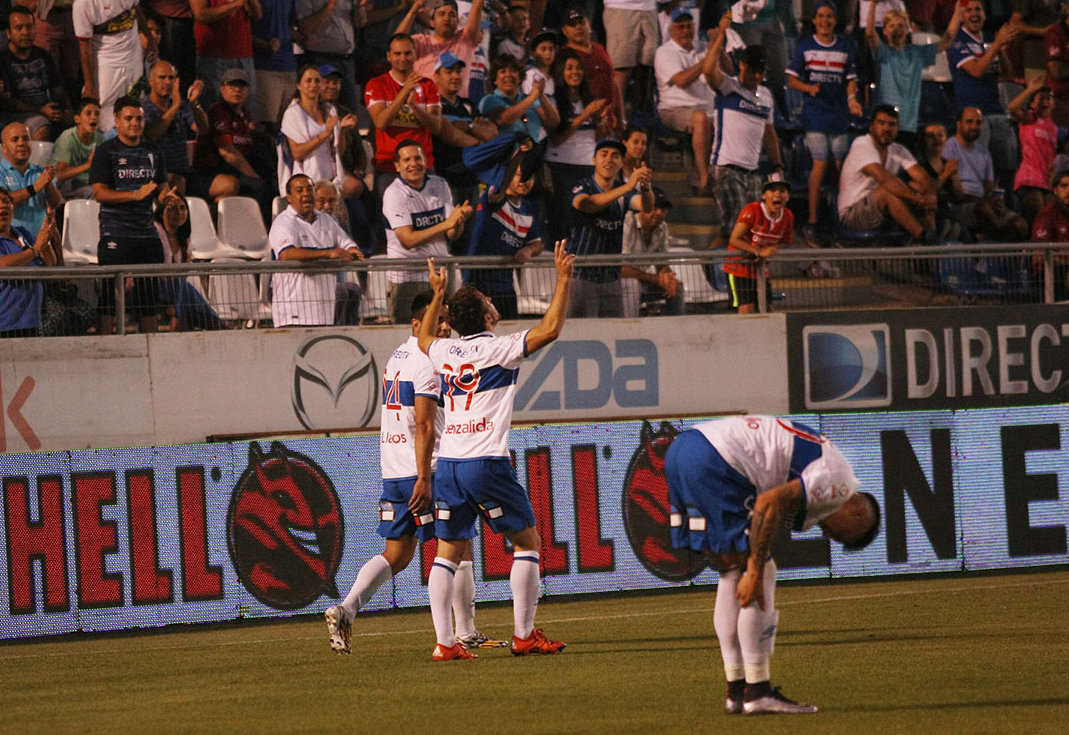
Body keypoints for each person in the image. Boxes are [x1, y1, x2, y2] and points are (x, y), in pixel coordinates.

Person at [417, 238, 575, 660]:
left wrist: (436, 295)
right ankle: (523, 635)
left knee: (446, 553)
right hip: (484, 463)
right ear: (488, 314)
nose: (493, 303)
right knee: (528, 542)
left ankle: (445, 644)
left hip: (448, 464)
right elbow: (551, 329)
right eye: (489, 300)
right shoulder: (499, 349)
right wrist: (563, 278)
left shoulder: (446, 351)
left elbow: (424, 339)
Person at [664, 414, 881, 715]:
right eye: (840, 534)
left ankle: (736, 691)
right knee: (760, 570)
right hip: (716, 459)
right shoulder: (838, 484)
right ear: (857, 515)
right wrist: (755, 568)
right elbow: (768, 503)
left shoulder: (827, 466)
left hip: (683, 449)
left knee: (732, 571)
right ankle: (758, 690)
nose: (829, 535)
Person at [324, 291, 502, 655]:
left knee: (398, 553)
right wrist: (425, 475)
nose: (445, 327)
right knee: (459, 545)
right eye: (438, 321)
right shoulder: (428, 362)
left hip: (394, 469)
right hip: (427, 470)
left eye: (446, 321)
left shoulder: (398, 356)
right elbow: (423, 423)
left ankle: (347, 609)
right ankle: (465, 632)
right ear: (417, 324)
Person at [89, 95, 176, 334]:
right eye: (128, 118)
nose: (134, 123)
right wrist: (135, 195)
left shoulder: (153, 151)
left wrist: (169, 198)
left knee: (149, 299)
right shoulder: (106, 151)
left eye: (139, 118)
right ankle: (105, 347)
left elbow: (161, 188)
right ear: (116, 121)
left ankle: (151, 351)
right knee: (109, 295)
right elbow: (99, 193)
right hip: (115, 232)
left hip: (147, 234)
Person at [788, 1, 862, 248]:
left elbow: (851, 79)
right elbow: (791, 79)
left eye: (830, 16)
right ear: (814, 20)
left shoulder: (845, 45)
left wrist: (852, 100)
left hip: (839, 115)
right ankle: (813, 220)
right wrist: (808, 87)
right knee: (820, 164)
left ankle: (841, 219)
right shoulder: (805, 45)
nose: (825, 21)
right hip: (815, 115)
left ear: (835, 20)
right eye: (820, 16)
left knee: (842, 168)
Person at [703, 26, 784, 252]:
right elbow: (709, 71)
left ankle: (735, 275)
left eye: (761, 71)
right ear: (742, 65)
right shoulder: (728, 87)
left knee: (752, 230)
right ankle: (714, 268)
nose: (757, 76)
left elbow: (769, 133)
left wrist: (778, 165)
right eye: (753, 71)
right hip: (726, 168)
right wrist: (719, 38)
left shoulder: (766, 96)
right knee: (735, 229)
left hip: (752, 172)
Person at [382, 139, 472, 323]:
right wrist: (447, 224)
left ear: (426, 161)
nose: (413, 164)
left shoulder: (439, 184)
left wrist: (458, 220)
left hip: (441, 274)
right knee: (406, 334)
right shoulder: (394, 194)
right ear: (397, 166)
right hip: (408, 277)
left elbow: (452, 235)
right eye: (407, 160)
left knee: (447, 328)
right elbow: (408, 240)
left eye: (417, 158)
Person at [567, 138, 653, 318]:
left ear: (621, 163)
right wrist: (629, 186)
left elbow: (646, 207)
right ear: (594, 160)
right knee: (581, 334)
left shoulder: (624, 189)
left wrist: (645, 187)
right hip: (582, 275)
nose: (609, 159)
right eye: (604, 154)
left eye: (615, 156)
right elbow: (588, 205)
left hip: (611, 278)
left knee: (612, 333)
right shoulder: (582, 186)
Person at [268, 173, 364, 326]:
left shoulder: (326, 220)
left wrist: (352, 249)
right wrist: (328, 253)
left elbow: (345, 243)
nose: (306, 193)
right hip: (293, 311)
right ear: (289, 197)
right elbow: (286, 254)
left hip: (324, 310)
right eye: (299, 190)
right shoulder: (283, 222)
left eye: (309, 189)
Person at [865, 3, 962, 152]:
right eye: (892, 26)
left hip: (907, 124)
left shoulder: (916, 54)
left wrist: (958, 11)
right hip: (883, 125)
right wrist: (872, 4)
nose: (897, 29)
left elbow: (946, 41)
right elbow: (870, 33)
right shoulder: (882, 52)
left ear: (907, 30)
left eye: (901, 26)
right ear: (884, 30)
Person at [143, 61, 241, 204]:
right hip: (159, 176)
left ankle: (210, 222)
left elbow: (202, 128)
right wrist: (175, 105)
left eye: (171, 78)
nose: (167, 82)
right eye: (162, 77)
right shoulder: (143, 107)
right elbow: (152, 135)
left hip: (187, 172)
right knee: (177, 182)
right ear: (150, 80)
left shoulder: (182, 106)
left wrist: (194, 103)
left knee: (230, 184)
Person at [837, 105, 938, 243]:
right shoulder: (861, 144)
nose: (887, 129)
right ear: (872, 126)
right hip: (853, 214)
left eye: (892, 124)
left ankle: (934, 243)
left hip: (883, 211)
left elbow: (921, 176)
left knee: (920, 188)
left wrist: (929, 195)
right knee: (888, 191)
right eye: (881, 123)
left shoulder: (898, 150)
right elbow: (885, 179)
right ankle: (923, 238)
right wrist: (914, 198)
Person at [947, 0, 1020, 188]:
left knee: (1007, 166)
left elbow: (1007, 73)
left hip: (996, 110)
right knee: (979, 168)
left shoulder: (990, 38)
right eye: (968, 10)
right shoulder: (957, 42)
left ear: (985, 14)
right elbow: (977, 70)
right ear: (962, 16)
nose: (974, 14)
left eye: (978, 9)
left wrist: (1001, 51)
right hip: (972, 114)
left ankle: (1005, 202)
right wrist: (998, 44)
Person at [545, 48, 611, 246]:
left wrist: (601, 122)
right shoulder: (554, 99)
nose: (575, 72)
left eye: (579, 68)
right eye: (569, 68)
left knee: (587, 218)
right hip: (561, 165)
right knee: (564, 220)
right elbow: (557, 138)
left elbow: (599, 136)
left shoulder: (588, 99)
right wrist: (584, 115)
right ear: (561, 73)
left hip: (588, 164)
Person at [192, 67, 275, 220]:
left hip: (235, 168)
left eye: (241, 86)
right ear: (222, 89)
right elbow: (228, 153)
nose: (237, 90)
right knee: (259, 187)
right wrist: (254, 176)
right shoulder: (217, 111)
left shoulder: (244, 113)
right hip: (212, 170)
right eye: (232, 86)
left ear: (247, 91)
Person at [365, 33, 443, 191]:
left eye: (408, 53)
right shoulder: (376, 84)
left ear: (415, 55)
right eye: (397, 53)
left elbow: (436, 126)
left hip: (423, 165)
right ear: (388, 56)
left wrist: (414, 106)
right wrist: (404, 92)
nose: (403, 58)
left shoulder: (428, 85)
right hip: (389, 166)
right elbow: (381, 123)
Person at [465, 163, 543, 320]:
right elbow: (498, 189)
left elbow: (537, 243)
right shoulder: (494, 200)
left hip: (506, 287)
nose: (525, 181)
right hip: (477, 285)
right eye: (519, 174)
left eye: (530, 176)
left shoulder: (527, 208)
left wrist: (529, 250)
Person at [653, 8, 718, 191]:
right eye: (680, 27)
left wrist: (717, 47)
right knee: (700, 118)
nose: (685, 31)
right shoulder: (664, 52)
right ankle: (704, 178)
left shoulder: (703, 47)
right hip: (673, 110)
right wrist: (706, 60)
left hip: (709, 109)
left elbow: (728, 72)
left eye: (689, 26)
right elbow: (681, 81)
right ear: (671, 29)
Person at [942, 106, 1029, 241]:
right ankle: (999, 242)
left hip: (984, 202)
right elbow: (954, 193)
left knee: (1020, 224)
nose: (974, 126)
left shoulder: (984, 152)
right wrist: (985, 202)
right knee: (984, 209)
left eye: (978, 123)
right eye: (969, 122)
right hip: (961, 206)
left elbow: (989, 186)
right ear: (959, 124)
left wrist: (997, 202)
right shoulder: (949, 148)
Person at [279, 64, 358, 196]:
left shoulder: (329, 110)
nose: (313, 85)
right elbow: (297, 153)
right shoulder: (293, 113)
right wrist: (325, 133)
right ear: (298, 85)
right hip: (308, 180)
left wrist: (342, 131)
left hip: (331, 177)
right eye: (308, 81)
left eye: (317, 81)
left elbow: (338, 151)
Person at [0, 7, 74, 141]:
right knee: (41, 127)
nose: (25, 32)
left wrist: (67, 110)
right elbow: (7, 101)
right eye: (19, 28)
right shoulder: (3, 58)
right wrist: (39, 110)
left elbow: (57, 89)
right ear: (9, 33)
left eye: (29, 27)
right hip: (15, 114)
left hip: (44, 109)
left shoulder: (43, 55)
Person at [153, 194, 225, 330]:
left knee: (181, 290)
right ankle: (217, 325)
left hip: (176, 291)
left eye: (182, 208)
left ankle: (182, 322)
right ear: (161, 212)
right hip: (154, 288)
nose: (179, 213)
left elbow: (183, 272)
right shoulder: (155, 233)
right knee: (181, 287)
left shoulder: (184, 238)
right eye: (172, 208)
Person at [724, 175, 792, 314]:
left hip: (760, 268)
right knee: (746, 310)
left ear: (788, 197)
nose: (777, 194)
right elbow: (734, 239)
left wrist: (769, 252)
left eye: (781, 190)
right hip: (739, 266)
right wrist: (758, 252)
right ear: (763, 196)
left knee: (768, 310)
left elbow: (784, 242)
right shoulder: (752, 210)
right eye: (772, 190)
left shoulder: (788, 216)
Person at [73, 0, 143, 132]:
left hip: (133, 56)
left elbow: (136, 9)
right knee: (103, 116)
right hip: (106, 63)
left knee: (136, 107)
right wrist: (89, 84)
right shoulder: (83, 4)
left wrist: (148, 36)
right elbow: (84, 45)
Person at [0, 188, 61, 338]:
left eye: (7, 202)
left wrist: (45, 240)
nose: (3, 206)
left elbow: (50, 263)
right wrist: (34, 250)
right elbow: (3, 265)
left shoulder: (23, 233)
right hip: (4, 321)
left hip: (30, 319)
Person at [397, 0, 485, 99]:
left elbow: (477, 4)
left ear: (457, 22)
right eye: (441, 14)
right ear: (432, 22)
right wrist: (414, 10)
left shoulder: (465, 40)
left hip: (456, 107)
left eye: (452, 14)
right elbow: (397, 44)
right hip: (425, 106)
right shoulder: (420, 42)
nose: (447, 18)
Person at [621, 191, 684, 318]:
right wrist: (656, 279)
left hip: (643, 279)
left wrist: (667, 279)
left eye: (663, 210)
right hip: (617, 282)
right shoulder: (627, 222)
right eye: (655, 208)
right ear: (642, 208)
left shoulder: (662, 227)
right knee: (632, 285)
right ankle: (631, 329)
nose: (660, 213)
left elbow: (662, 263)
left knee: (676, 287)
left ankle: (677, 328)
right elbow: (622, 269)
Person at [1009, 75, 1062, 223]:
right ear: (1032, 104)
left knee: (1053, 218)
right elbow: (1012, 107)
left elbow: (1051, 155)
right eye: (1041, 98)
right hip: (1029, 179)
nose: (1045, 101)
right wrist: (1030, 89)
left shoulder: (1053, 127)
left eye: (1048, 98)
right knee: (1040, 216)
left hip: (1047, 182)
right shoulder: (1030, 118)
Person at [295, 0, 365, 113]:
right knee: (321, 107)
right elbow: (305, 28)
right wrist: (330, 5)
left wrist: (360, 7)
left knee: (349, 110)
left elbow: (361, 22)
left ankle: (347, 130)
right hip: (321, 58)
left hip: (347, 60)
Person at [190, 0, 262, 108]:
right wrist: (236, 4)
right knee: (213, 107)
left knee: (246, 108)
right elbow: (201, 15)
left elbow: (257, 15)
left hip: (242, 53)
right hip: (213, 56)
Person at [561, 7, 622, 131]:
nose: (578, 27)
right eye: (572, 24)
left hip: (610, 122)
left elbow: (614, 84)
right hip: (587, 125)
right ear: (564, 31)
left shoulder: (599, 48)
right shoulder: (565, 56)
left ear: (589, 24)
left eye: (581, 22)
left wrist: (621, 118)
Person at [0, 122, 65, 234]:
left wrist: (48, 183)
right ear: (4, 148)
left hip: (39, 243)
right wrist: (34, 188)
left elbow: (55, 203)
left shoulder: (40, 171)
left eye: (26, 138)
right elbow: (5, 201)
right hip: (11, 245)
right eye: (15, 139)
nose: (22, 143)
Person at [479, 53, 559, 143]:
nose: (508, 75)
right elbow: (506, 119)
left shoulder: (531, 100)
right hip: (505, 156)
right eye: (503, 71)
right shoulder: (489, 100)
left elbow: (553, 122)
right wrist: (532, 97)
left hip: (532, 155)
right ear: (495, 80)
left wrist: (541, 95)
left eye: (513, 70)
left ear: (520, 78)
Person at [602, 0, 659, 114]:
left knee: (648, 65)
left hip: (649, 8)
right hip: (621, 7)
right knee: (621, 66)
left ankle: (642, 118)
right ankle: (618, 118)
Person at [250, 0, 298, 129]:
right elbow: (241, 30)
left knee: (288, 125)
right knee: (267, 124)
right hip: (264, 66)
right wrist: (263, 44)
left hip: (289, 66)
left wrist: (302, 38)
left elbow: (288, 26)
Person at [51, 97, 105, 199]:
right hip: (61, 184)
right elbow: (60, 174)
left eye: (97, 114)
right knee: (95, 193)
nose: (93, 118)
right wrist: (88, 165)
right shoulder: (67, 138)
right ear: (77, 119)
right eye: (88, 113)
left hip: (85, 181)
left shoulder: (100, 139)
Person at [1031, 168, 1069, 299]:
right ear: (1055, 190)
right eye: (1064, 186)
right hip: (1048, 271)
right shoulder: (1047, 214)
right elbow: (1041, 254)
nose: (1068, 191)